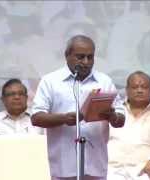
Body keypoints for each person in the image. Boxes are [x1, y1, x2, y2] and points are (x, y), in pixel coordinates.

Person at [31, 35, 125, 180]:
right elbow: (36, 118)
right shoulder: (50, 81)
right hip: (63, 165)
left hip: (96, 164)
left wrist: (113, 116)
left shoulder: (104, 81)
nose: (86, 62)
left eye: (90, 57)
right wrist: (64, 118)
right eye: (80, 57)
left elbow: (121, 120)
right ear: (67, 55)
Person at [108, 71, 150, 180]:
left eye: (144, 87)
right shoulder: (114, 113)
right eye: (135, 87)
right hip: (112, 169)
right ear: (127, 90)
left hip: (144, 170)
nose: (139, 90)